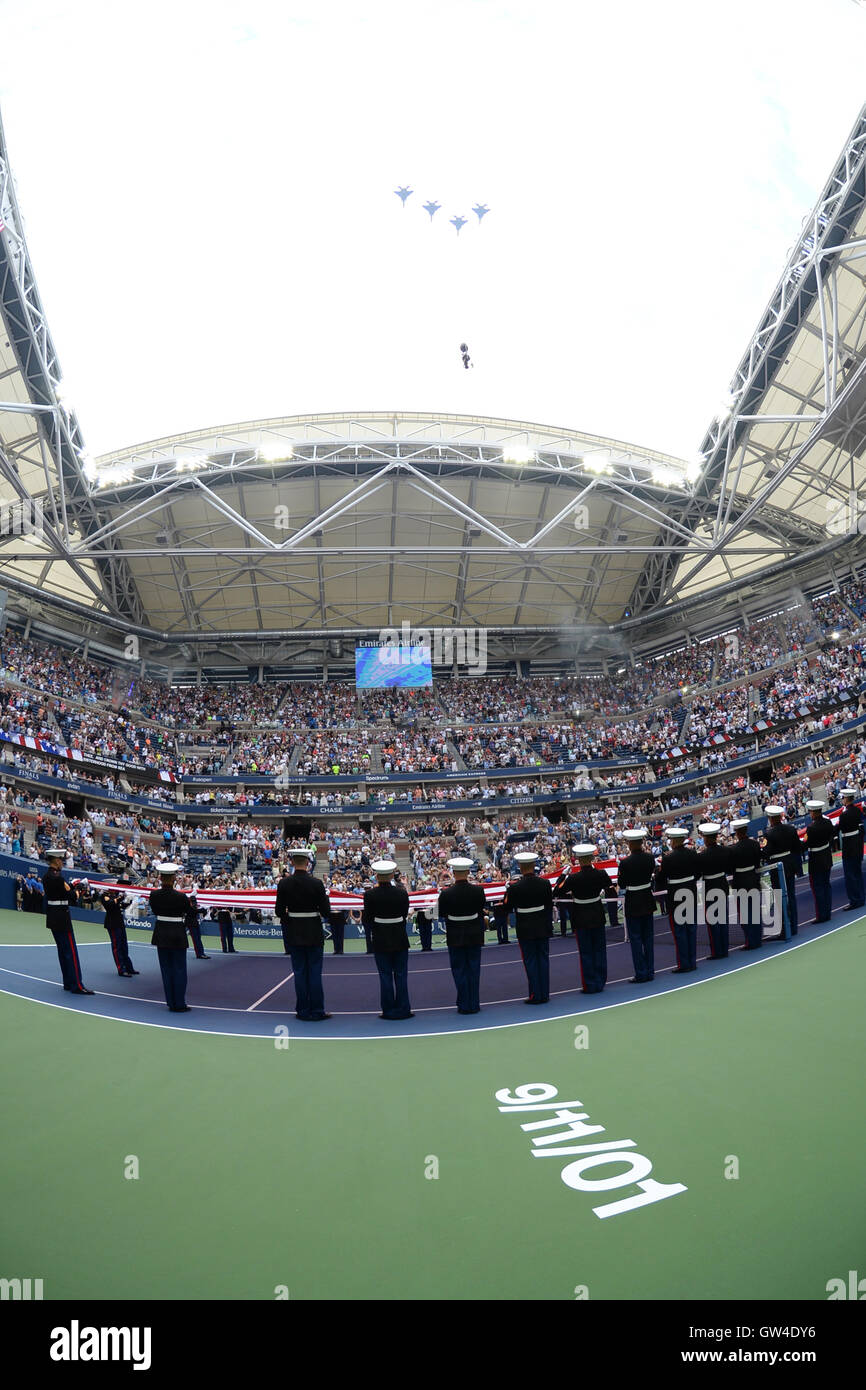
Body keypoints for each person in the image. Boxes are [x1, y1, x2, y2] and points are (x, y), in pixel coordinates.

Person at [274, 847, 331, 1022]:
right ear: (307, 862)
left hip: (294, 932)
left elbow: (278, 911)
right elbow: (326, 911)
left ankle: (302, 1010)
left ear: (292, 862)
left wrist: (290, 919)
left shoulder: (284, 883)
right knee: (314, 972)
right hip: (313, 932)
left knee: (299, 972)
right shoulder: (316, 883)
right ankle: (317, 1010)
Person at [363, 860, 413, 1020]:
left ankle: (388, 1010)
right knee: (401, 975)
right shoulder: (401, 892)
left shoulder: (369, 895)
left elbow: (368, 918)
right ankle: (404, 1008)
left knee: (385, 976)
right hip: (399, 937)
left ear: (376, 876)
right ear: (392, 874)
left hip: (380, 939)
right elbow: (404, 914)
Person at [557, 844, 610, 993]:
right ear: (592, 858)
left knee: (586, 952)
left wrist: (563, 875)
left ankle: (589, 983)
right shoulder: (601, 874)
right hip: (597, 913)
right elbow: (610, 888)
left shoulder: (574, 878)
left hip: (580, 916)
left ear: (579, 860)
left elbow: (557, 891)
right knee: (599, 950)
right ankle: (600, 981)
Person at [41, 846, 93, 994]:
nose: (62, 862)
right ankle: (77, 985)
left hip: (53, 916)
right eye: (61, 860)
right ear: (56, 860)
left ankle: (68, 982)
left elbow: (63, 890)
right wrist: (80, 890)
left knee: (62, 951)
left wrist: (72, 887)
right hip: (62, 917)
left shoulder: (47, 876)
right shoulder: (57, 877)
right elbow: (71, 896)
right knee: (70, 951)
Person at [438, 856, 487, 1013]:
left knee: (459, 970)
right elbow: (481, 909)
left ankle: (464, 1003)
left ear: (453, 872)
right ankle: (474, 1003)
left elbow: (442, 913)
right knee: (474, 969)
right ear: (467, 872)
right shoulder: (478, 890)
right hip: (474, 933)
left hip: (455, 934)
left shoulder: (446, 894)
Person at [503, 851, 553, 1004]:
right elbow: (549, 904)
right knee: (543, 960)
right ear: (533, 865)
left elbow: (508, 907)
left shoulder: (514, 888)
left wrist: (507, 891)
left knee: (530, 961)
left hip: (525, 927)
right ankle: (544, 993)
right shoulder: (544, 883)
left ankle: (535, 994)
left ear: (519, 867)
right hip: (542, 925)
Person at [655, 827, 699, 973]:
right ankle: (692, 961)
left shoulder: (668, 858)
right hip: (690, 890)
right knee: (691, 927)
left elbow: (661, 878)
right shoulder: (692, 853)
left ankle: (684, 963)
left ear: (673, 841)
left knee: (679, 930)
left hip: (675, 895)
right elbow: (698, 873)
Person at [148, 863, 191, 1012]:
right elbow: (189, 912)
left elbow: (154, 910)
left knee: (166, 970)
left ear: (160, 878)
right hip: (177, 934)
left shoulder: (154, 895)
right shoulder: (181, 896)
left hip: (161, 934)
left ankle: (171, 1002)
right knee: (179, 969)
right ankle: (179, 1003)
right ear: (173, 878)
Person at [616, 826, 657, 982]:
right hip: (647, 898)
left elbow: (622, 883)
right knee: (648, 938)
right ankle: (650, 970)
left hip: (634, 900)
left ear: (630, 844)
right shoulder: (649, 858)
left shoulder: (625, 863)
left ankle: (641, 972)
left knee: (636, 939)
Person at [761, 805, 802, 938]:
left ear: (771, 819)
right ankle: (794, 926)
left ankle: (786, 929)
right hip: (789, 864)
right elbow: (797, 847)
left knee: (780, 898)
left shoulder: (769, 834)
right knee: (791, 895)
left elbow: (766, 853)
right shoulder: (790, 829)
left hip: (776, 868)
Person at [696, 822, 731, 958]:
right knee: (723, 918)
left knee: (713, 920)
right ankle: (725, 948)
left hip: (710, 886)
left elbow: (698, 874)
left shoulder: (702, 856)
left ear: (706, 838)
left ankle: (717, 951)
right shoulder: (725, 851)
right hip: (722, 884)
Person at [728, 818, 763, 950]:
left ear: (737, 832)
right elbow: (758, 861)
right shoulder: (754, 844)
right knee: (755, 911)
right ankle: (758, 939)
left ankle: (750, 941)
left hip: (740, 882)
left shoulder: (733, 849)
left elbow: (730, 868)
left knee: (744, 914)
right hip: (753, 879)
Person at [804, 799, 837, 923]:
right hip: (826, 856)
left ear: (813, 812)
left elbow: (806, 845)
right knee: (826, 885)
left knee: (818, 888)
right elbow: (832, 834)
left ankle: (821, 915)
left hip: (816, 859)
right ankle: (827, 912)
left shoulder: (811, 828)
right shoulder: (828, 822)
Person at [99, 880, 138, 977]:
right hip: (112, 923)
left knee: (124, 946)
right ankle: (121, 969)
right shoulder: (105, 896)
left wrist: (130, 900)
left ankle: (129, 967)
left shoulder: (115, 895)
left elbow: (121, 906)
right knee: (117, 947)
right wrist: (122, 897)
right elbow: (110, 905)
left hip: (119, 923)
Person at [837, 788, 865, 910]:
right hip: (857, 845)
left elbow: (838, 829)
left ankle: (855, 900)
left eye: (843, 798)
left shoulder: (844, 815)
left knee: (850, 875)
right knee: (857, 873)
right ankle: (861, 897)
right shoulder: (857, 811)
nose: (842, 800)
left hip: (849, 847)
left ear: (846, 799)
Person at [185, 882, 210, 959]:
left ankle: (201, 953)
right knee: (196, 939)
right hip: (191, 924)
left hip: (194, 923)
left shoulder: (192, 905)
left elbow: (196, 910)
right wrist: (203, 910)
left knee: (198, 938)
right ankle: (200, 954)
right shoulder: (188, 907)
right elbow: (194, 911)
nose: (195, 904)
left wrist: (203, 910)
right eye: (193, 902)